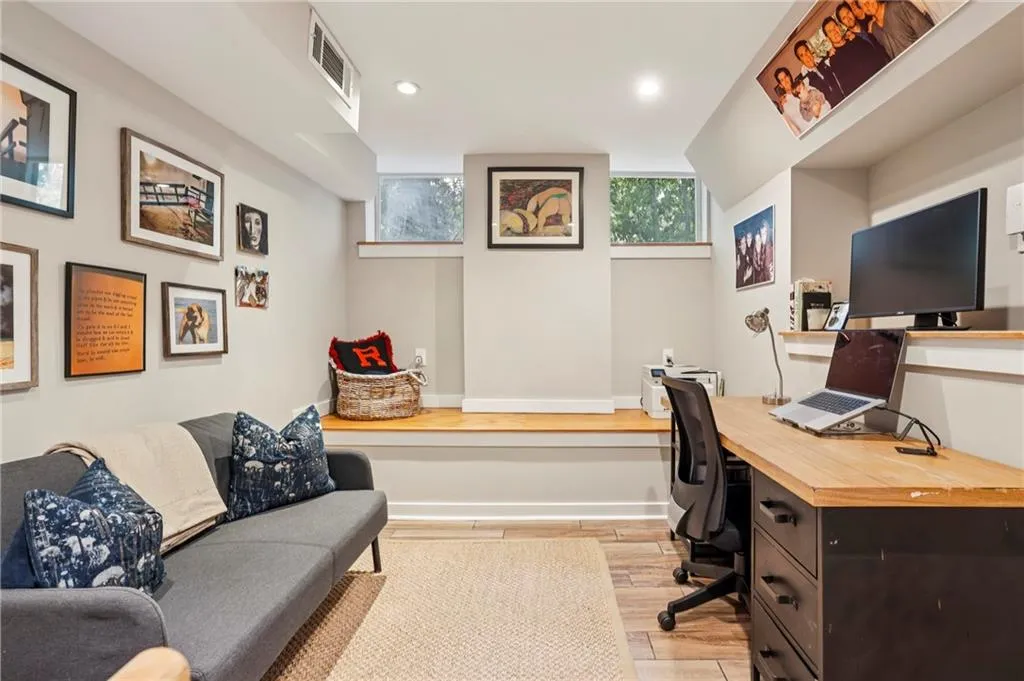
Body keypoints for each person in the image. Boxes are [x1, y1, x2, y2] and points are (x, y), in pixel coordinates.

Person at [822, 15, 890, 95]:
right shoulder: (834, 60)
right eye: (830, 31)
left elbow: (876, 57)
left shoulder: (855, 39)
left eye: (835, 27)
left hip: (883, 81)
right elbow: (847, 87)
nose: (834, 32)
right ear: (828, 38)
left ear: (839, 27)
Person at [860, 0, 935, 59]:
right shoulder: (875, 29)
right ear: (862, 10)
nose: (867, 5)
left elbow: (928, 32)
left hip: (926, 58)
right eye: (863, 5)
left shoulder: (900, 6)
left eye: (868, 0)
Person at [774, 67, 826, 134]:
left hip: (821, 123)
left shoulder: (803, 86)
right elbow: (794, 127)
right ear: (780, 85)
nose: (785, 81)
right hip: (808, 133)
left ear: (789, 77)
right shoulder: (785, 104)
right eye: (782, 80)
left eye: (786, 77)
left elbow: (821, 99)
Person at [794, 39, 844, 108]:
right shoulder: (804, 82)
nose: (806, 56)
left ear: (810, 51)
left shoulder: (824, 61)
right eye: (802, 55)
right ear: (800, 60)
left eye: (806, 51)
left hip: (844, 96)